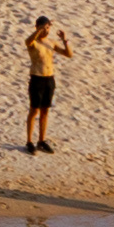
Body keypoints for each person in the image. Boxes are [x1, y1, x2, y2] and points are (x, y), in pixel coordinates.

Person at [23, 16, 71, 153]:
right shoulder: (33, 43)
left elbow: (69, 54)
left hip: (49, 79)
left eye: (48, 28)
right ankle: (29, 142)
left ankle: (41, 140)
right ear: (37, 27)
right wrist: (39, 30)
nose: (47, 30)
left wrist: (64, 40)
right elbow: (27, 41)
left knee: (45, 111)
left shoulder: (51, 42)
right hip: (37, 79)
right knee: (34, 110)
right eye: (44, 28)